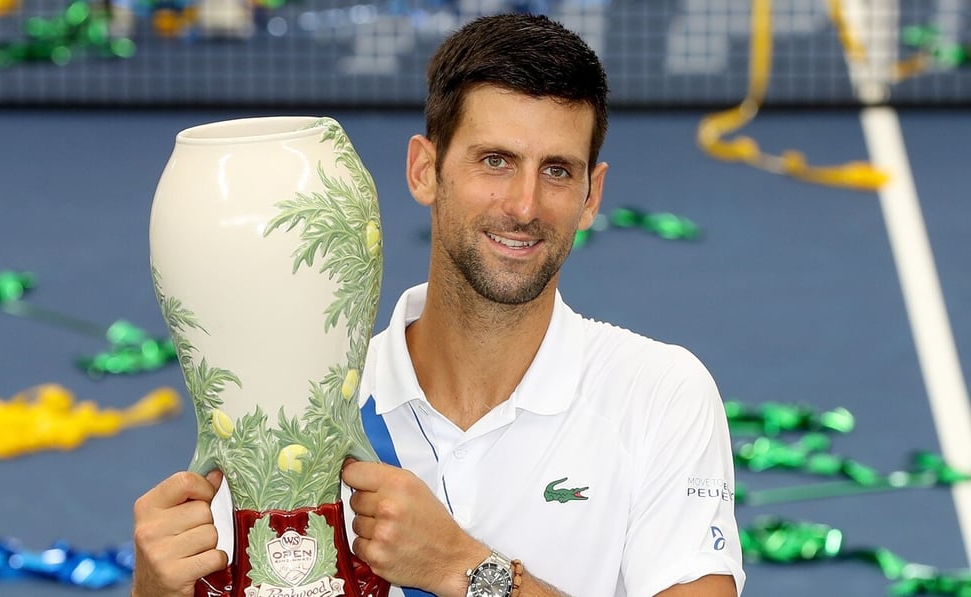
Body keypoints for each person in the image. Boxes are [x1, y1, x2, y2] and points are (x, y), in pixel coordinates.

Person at [132, 13, 745, 597]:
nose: (525, 205)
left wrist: (465, 568)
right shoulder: (293, 406)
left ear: (592, 196)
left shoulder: (662, 395)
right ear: (425, 170)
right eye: (495, 161)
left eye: (557, 171)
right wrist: (155, 591)